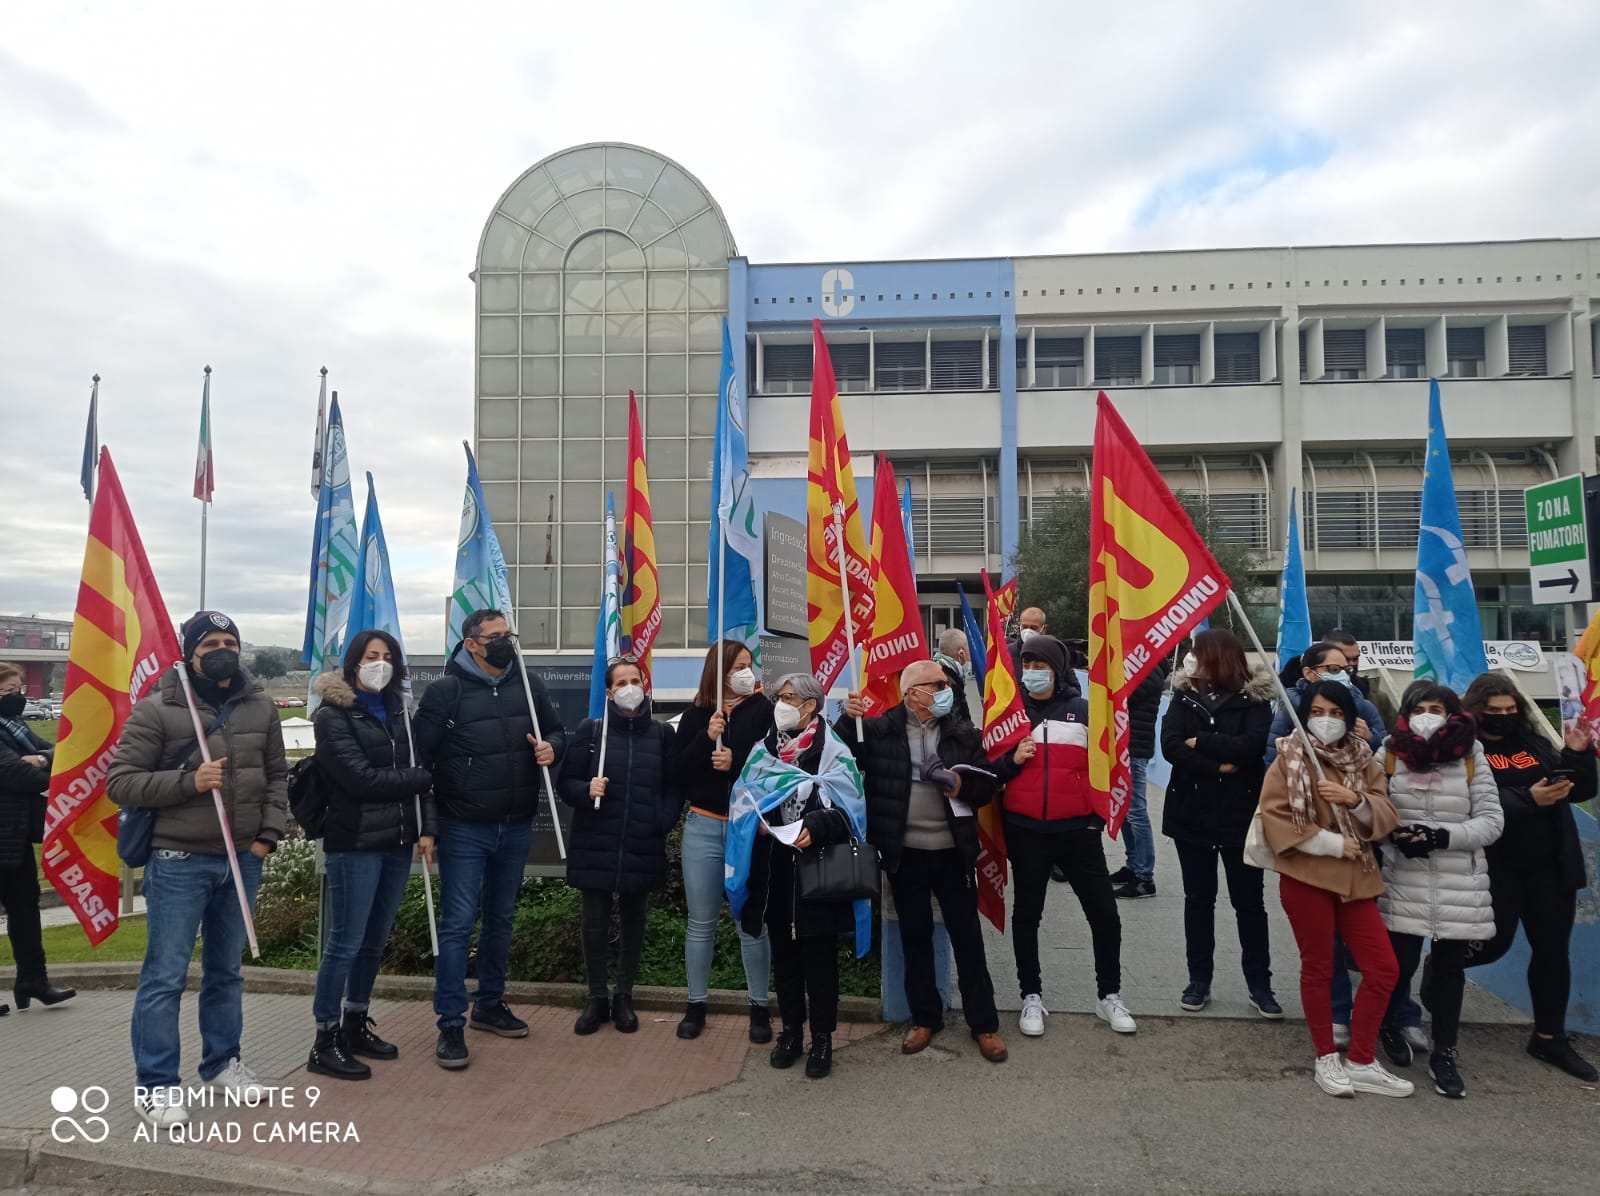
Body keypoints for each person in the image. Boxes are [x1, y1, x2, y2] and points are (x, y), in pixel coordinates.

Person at [107, 612, 287, 1126]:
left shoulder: (260, 705)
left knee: (227, 971)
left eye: (230, 641)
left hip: (242, 859)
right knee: (165, 977)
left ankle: (223, 1062)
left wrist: (268, 836)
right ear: (190, 653)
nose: (223, 650)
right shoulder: (158, 708)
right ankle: (156, 1085)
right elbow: (120, 782)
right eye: (210, 643)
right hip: (179, 861)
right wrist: (189, 781)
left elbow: (277, 774)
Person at [413, 608, 565, 1070]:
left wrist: (553, 748)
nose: (506, 642)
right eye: (496, 636)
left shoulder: (529, 683)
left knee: (501, 919)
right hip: (464, 827)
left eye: (509, 634)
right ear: (472, 643)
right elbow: (421, 763)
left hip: (516, 822)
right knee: (458, 924)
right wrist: (428, 825)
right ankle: (450, 1023)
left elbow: (556, 731)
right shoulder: (445, 692)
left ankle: (490, 1003)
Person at [840, 661, 1007, 1063]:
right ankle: (925, 1018)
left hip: (953, 853)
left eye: (946, 684)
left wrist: (959, 782)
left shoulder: (962, 733)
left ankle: (983, 1024)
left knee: (967, 939)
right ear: (912, 692)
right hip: (905, 855)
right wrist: (848, 720)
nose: (946, 690)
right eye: (937, 684)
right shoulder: (881, 730)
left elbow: (986, 786)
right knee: (914, 938)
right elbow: (843, 755)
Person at [1259, 680, 1411, 1098]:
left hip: (1357, 879)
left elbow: (1386, 812)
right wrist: (1329, 844)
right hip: (1307, 877)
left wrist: (1353, 799)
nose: (1326, 721)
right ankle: (1325, 1056)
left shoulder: (1364, 758)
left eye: (1336, 713)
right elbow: (1275, 817)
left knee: (1383, 969)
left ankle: (1361, 1059)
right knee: (1319, 968)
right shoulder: (1289, 757)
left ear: (1350, 717)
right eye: (1317, 712)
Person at [305, 630, 435, 1081]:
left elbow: (419, 778)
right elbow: (360, 779)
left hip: (396, 841)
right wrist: (419, 777)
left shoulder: (399, 710)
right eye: (371, 656)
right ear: (354, 663)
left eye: (387, 656)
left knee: (374, 941)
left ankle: (355, 1021)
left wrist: (427, 827)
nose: (380, 663)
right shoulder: (332, 715)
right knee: (345, 942)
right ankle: (325, 1039)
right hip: (355, 842)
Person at [993, 634, 1136, 1038]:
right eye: (1027, 665)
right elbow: (990, 768)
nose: (1032, 673)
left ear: (1057, 670)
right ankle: (1030, 995)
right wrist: (1012, 761)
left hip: (1078, 832)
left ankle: (1109, 995)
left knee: (1104, 915)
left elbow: (1105, 768)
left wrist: (1095, 818)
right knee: (1027, 915)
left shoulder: (1084, 711)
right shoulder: (1011, 713)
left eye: (1040, 666)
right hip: (1026, 832)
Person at [1460, 674, 1598, 1082]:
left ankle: (1549, 1037)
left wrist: (1577, 754)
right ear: (1476, 711)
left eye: (1510, 709)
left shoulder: (1534, 743)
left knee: (1553, 951)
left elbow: (1579, 790)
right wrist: (1529, 799)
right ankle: (1442, 966)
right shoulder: (1464, 749)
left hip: (1550, 867)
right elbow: (1467, 800)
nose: (1503, 717)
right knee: (1492, 944)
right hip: (1496, 867)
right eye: (1494, 711)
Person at [732, 672, 868, 1079]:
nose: (781, 704)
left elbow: (853, 811)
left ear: (810, 705)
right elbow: (744, 799)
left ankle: (822, 1039)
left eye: (789, 697)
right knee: (785, 961)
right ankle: (791, 1032)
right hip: (776, 875)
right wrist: (757, 823)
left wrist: (818, 825)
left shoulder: (835, 753)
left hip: (819, 874)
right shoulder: (764, 751)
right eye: (779, 696)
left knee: (820, 963)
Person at [1378, 681, 1503, 1100]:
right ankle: (1389, 1025)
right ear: (1405, 714)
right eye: (1419, 709)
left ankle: (1444, 1052)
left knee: (1450, 972)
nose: (1426, 716)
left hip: (1459, 883)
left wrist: (1441, 836)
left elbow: (1491, 821)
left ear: (1452, 715)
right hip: (1403, 878)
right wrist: (1396, 834)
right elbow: (1372, 808)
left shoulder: (1471, 755)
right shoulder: (1389, 753)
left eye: (1436, 709)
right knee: (1398, 965)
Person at [1160, 628, 1281, 1016]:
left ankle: (1260, 985)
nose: (1191, 660)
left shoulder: (1255, 699)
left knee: (1250, 904)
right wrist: (1216, 765)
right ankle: (1199, 980)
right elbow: (1171, 745)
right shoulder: (1183, 696)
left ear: (1218, 657)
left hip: (1239, 816)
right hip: (1191, 815)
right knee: (1198, 901)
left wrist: (1202, 742)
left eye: (1198, 653)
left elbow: (1251, 747)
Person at [558, 657, 680, 1036]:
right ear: (609, 693)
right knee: (594, 921)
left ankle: (624, 996)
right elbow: (566, 783)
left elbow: (674, 786)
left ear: (645, 685)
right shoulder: (591, 731)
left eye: (635, 681)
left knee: (633, 921)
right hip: (596, 840)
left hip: (642, 841)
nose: (630, 688)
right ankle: (596, 997)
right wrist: (586, 789)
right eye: (621, 683)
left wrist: (662, 820)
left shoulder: (662, 735)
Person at [670, 641, 775, 1042]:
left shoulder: (765, 711)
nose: (747, 673)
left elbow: (775, 767)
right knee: (701, 922)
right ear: (719, 671)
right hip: (703, 827)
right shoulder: (697, 715)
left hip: (748, 829)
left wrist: (737, 761)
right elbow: (676, 773)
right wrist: (705, 738)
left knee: (751, 921)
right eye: (738, 667)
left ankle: (759, 1007)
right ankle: (696, 1004)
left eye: (750, 665)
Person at [0, 663, 75, 1017]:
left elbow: (62, 753)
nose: (16, 697)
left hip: (14, 836)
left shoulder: (16, 727)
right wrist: (44, 768)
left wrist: (41, 759)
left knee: (26, 909)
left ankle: (33, 980)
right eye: (7, 691)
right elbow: (14, 774)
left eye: (18, 689)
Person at [1264, 641, 1387, 764]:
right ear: (1309, 673)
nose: (1342, 675)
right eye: (1334, 669)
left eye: (1346, 670)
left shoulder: (1363, 707)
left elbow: (1385, 753)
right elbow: (1274, 756)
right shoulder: (1291, 709)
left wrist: (1371, 737)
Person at [1111, 662, 1165, 899]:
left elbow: (1121, 695)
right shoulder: (1137, 665)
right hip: (1123, 746)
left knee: (1135, 811)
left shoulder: (1149, 668)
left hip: (1133, 748)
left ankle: (1144, 877)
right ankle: (1133, 865)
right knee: (1125, 810)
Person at [932, 628, 976, 724]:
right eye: (969, 654)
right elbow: (955, 724)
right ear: (961, 654)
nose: (970, 659)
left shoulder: (935, 672)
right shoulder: (947, 683)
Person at [1324, 629, 1373, 700]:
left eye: (1355, 658)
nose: (1352, 664)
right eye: (1345, 659)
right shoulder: (1309, 693)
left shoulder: (1374, 695)